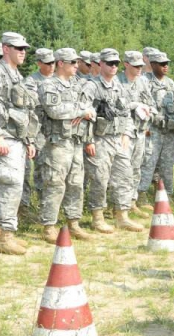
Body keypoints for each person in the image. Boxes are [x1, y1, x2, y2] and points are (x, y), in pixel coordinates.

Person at [0, 32, 37, 255]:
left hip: (17, 139)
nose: (23, 52)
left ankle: (0, 234)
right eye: (18, 48)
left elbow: (25, 110)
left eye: (24, 48)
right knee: (9, 184)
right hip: (4, 138)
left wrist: (29, 140)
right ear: (5, 49)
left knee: (14, 185)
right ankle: (4, 236)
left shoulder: (16, 75)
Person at [36, 48, 95, 243]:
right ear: (60, 63)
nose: (76, 66)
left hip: (76, 141)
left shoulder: (76, 86)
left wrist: (84, 111)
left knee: (76, 184)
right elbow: (54, 111)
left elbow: (90, 107)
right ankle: (49, 225)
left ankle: (74, 222)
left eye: (77, 63)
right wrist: (81, 111)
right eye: (72, 63)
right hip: (57, 143)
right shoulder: (48, 85)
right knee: (55, 183)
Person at [80, 48, 141, 233]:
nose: (114, 67)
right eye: (110, 63)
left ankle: (122, 215)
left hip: (118, 138)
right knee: (100, 179)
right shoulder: (91, 86)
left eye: (116, 63)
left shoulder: (119, 86)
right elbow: (84, 115)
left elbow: (126, 113)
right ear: (101, 64)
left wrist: (126, 134)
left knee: (124, 175)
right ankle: (97, 217)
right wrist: (88, 140)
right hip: (99, 139)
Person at [139, 51, 174, 201]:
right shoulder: (144, 81)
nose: (166, 66)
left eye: (167, 64)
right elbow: (144, 106)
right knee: (148, 162)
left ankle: (166, 195)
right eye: (162, 64)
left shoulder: (170, 83)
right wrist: (158, 119)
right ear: (152, 65)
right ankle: (141, 195)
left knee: (168, 164)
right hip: (152, 130)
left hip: (169, 132)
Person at [117, 50, 155, 218]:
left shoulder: (143, 82)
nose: (139, 69)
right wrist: (134, 105)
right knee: (122, 170)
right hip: (123, 132)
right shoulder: (117, 81)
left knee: (136, 168)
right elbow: (116, 105)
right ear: (126, 64)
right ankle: (119, 204)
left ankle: (132, 202)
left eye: (141, 65)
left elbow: (151, 103)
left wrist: (147, 109)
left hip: (140, 130)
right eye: (135, 66)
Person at [22, 48, 55, 217]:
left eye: (53, 62)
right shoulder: (31, 81)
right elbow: (33, 104)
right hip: (38, 129)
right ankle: (33, 205)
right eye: (47, 63)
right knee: (40, 167)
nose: (51, 66)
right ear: (39, 63)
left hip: (55, 130)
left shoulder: (58, 79)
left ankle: (50, 205)